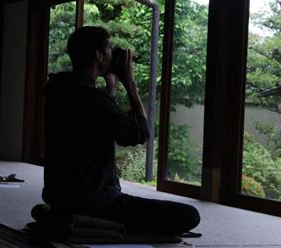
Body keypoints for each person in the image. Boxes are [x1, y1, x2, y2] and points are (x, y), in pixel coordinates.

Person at [42, 26, 200, 235]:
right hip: (95, 201)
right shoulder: (94, 98)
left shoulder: (58, 88)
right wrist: (130, 84)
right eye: (108, 51)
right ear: (98, 55)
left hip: (59, 197)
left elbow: (92, 124)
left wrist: (111, 91)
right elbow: (138, 134)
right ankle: (98, 224)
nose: (111, 55)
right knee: (189, 215)